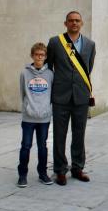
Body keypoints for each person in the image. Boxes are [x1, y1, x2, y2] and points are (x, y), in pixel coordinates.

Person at [47, 11, 96, 186]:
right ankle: (60, 170)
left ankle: (77, 168)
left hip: (81, 97)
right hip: (60, 96)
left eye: (77, 21)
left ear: (81, 23)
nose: (74, 23)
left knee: (79, 134)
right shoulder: (55, 42)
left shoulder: (90, 44)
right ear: (65, 23)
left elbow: (87, 69)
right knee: (59, 135)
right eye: (71, 21)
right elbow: (49, 67)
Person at [17, 42, 54, 187]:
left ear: (45, 57)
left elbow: (51, 94)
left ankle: (43, 174)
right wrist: (28, 107)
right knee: (26, 146)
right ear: (32, 55)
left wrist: (45, 108)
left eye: (42, 55)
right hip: (28, 117)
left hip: (44, 118)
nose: (39, 57)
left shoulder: (50, 74)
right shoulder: (24, 73)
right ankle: (22, 175)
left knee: (42, 146)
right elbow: (22, 93)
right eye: (37, 54)